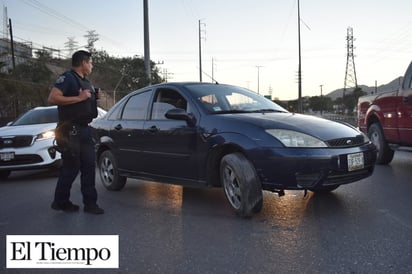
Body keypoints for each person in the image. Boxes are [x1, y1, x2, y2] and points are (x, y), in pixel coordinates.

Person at [48, 50, 104, 214]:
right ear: (84, 63)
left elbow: (85, 102)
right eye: (91, 63)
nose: (92, 66)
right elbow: (53, 98)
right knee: (71, 168)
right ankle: (60, 202)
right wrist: (79, 98)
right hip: (69, 130)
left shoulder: (84, 81)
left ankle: (90, 204)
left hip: (84, 129)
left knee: (89, 167)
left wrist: (96, 96)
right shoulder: (67, 78)